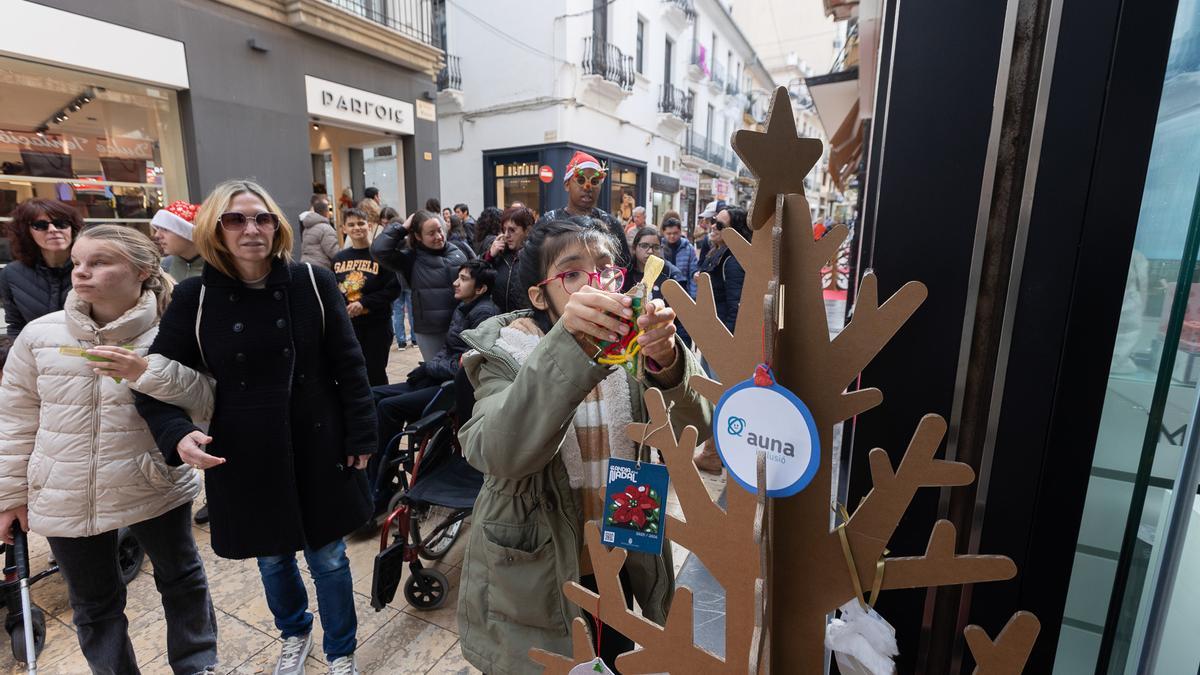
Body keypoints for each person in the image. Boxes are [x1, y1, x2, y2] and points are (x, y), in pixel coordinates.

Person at [134, 179, 375, 675]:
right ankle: (294, 632)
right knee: (272, 557)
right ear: (215, 230)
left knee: (329, 556)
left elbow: (350, 365)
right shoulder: (196, 296)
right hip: (244, 448)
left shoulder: (312, 281)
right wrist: (176, 434)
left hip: (318, 438)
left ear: (277, 226)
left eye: (262, 218)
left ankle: (341, 651)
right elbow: (151, 379)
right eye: (236, 219)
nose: (252, 229)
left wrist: (362, 435)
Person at [455, 217, 711, 674]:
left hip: (623, 550)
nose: (597, 283)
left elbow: (702, 428)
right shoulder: (507, 352)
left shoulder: (634, 351)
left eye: (608, 268)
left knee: (615, 656)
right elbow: (496, 451)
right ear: (539, 295)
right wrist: (570, 344)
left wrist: (671, 365)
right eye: (572, 273)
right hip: (541, 567)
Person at [0, 225, 219, 674]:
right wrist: (10, 494)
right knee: (94, 603)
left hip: (152, 481)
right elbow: (16, 418)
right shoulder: (41, 334)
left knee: (181, 579)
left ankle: (196, 664)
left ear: (142, 271)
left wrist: (144, 371)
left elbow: (207, 401)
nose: (82, 273)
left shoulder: (174, 331)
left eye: (99, 263)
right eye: (79, 262)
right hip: (64, 489)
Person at [368, 260, 498, 507]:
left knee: (388, 407)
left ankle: (380, 485)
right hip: (436, 377)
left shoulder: (484, 314)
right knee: (373, 395)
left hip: (450, 388)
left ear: (480, 288)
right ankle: (375, 474)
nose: (455, 283)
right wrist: (429, 366)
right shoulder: (463, 307)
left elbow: (467, 363)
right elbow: (447, 349)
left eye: (463, 278)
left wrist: (430, 367)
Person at [371, 210, 472, 361]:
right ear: (418, 236)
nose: (438, 236)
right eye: (431, 233)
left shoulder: (458, 250)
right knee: (437, 374)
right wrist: (402, 228)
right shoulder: (409, 259)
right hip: (431, 331)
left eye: (439, 230)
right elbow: (379, 250)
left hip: (461, 326)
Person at [691, 206, 748, 474]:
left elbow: (737, 305)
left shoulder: (733, 260)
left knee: (719, 397)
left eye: (720, 225)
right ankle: (715, 453)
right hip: (712, 336)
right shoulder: (717, 252)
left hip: (722, 339)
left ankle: (714, 454)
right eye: (713, 221)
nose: (712, 226)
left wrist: (729, 344)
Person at [333, 208, 400, 386]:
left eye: (361, 223)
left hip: (377, 326)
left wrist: (363, 303)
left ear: (369, 226)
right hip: (349, 327)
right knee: (352, 373)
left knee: (375, 373)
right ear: (344, 229)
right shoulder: (338, 259)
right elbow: (333, 290)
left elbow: (393, 290)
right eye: (351, 224)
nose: (357, 228)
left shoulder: (380, 256)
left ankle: (378, 410)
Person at [0, 198, 80, 337]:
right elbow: (16, 326)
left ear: (72, 228)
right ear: (26, 232)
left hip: (88, 355)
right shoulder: (12, 274)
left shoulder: (92, 269)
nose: (53, 230)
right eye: (41, 225)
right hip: (36, 356)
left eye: (61, 223)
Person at [541, 151, 632, 268]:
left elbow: (624, 266)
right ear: (567, 184)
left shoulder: (611, 223)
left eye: (594, 182)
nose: (587, 187)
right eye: (580, 180)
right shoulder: (549, 222)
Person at [483, 205, 535, 313]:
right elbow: (478, 281)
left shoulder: (536, 257)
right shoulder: (498, 255)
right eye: (504, 230)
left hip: (525, 323)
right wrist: (489, 257)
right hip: (497, 319)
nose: (506, 235)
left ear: (527, 231)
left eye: (512, 230)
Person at [153, 200, 205, 282]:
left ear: (187, 233)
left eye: (165, 229)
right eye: (158, 228)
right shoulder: (165, 266)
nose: (157, 235)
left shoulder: (218, 267)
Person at [660, 214, 698, 297]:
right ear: (664, 232)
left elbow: (693, 272)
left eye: (675, 233)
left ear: (680, 231)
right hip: (662, 289)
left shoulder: (688, 248)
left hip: (683, 289)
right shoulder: (659, 248)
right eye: (669, 233)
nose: (672, 236)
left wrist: (693, 296)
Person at [300, 197, 339, 270]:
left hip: (305, 265)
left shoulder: (307, 227)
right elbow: (333, 252)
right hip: (321, 268)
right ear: (327, 212)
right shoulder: (326, 229)